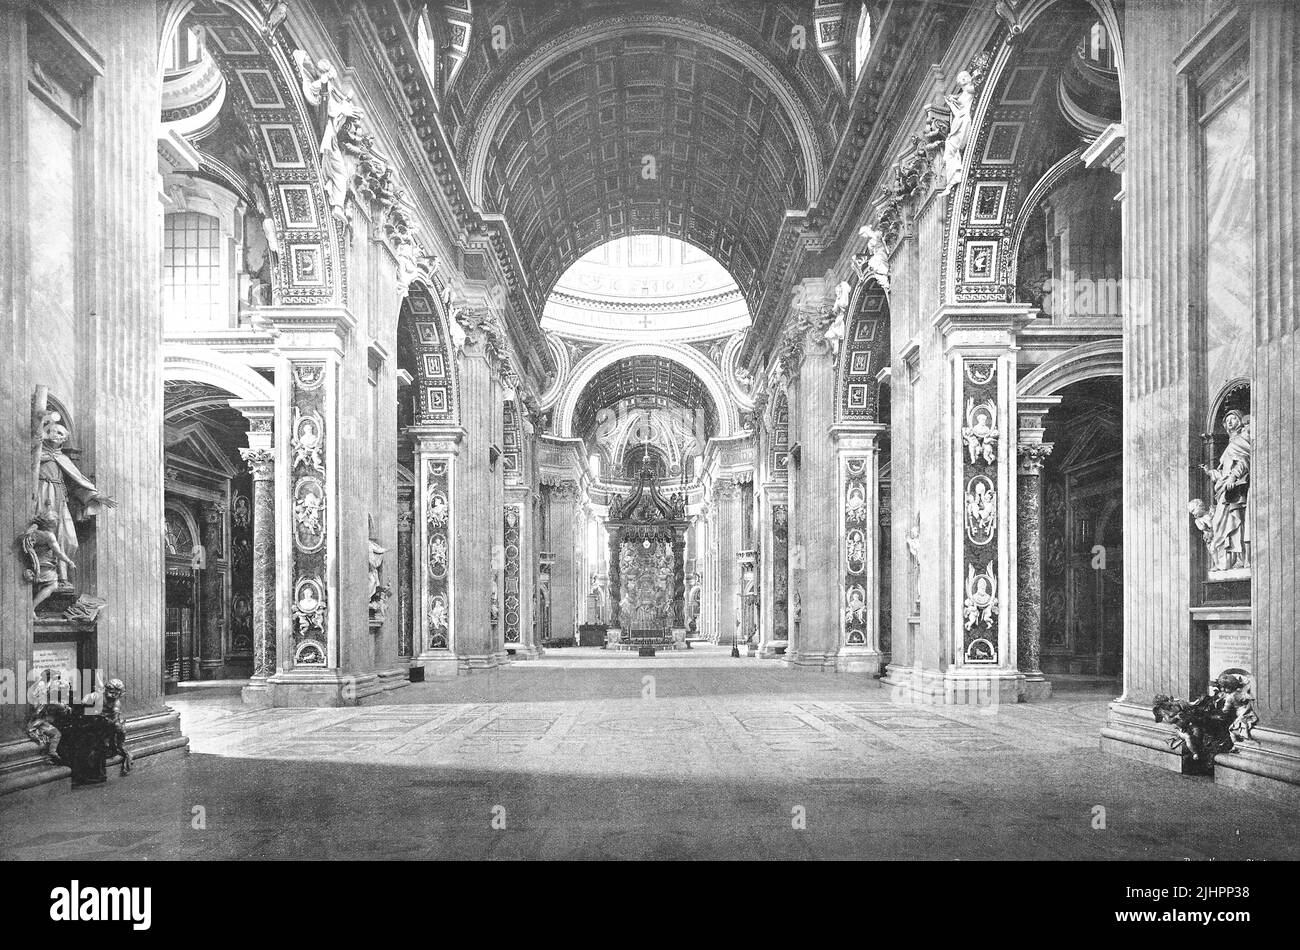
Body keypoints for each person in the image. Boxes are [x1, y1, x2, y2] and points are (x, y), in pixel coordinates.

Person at [37, 422, 115, 583]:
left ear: (64, 439)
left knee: (69, 539)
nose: (55, 434)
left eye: (59, 433)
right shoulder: (37, 454)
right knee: (44, 536)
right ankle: (48, 576)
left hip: (59, 498)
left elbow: (75, 483)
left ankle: (61, 574)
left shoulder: (63, 459)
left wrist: (95, 496)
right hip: (41, 496)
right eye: (51, 431)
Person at [21, 511, 76, 617]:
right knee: (53, 585)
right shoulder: (49, 536)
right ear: (50, 524)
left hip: (31, 566)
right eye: (54, 523)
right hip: (42, 568)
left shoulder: (33, 532)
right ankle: (31, 607)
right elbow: (59, 553)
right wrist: (69, 562)